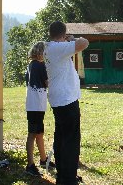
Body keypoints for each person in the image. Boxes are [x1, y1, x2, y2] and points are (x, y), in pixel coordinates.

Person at [44, 21, 89, 185]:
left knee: (62, 138)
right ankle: (68, 179)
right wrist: (72, 39)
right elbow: (84, 43)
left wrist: (67, 40)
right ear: (63, 34)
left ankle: (63, 175)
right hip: (66, 100)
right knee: (71, 141)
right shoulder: (57, 47)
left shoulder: (51, 47)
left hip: (60, 99)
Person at [25, 41, 55, 176]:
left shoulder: (31, 65)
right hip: (36, 105)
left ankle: (43, 159)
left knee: (39, 133)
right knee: (32, 134)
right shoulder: (40, 65)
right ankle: (30, 165)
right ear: (40, 52)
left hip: (34, 104)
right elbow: (48, 82)